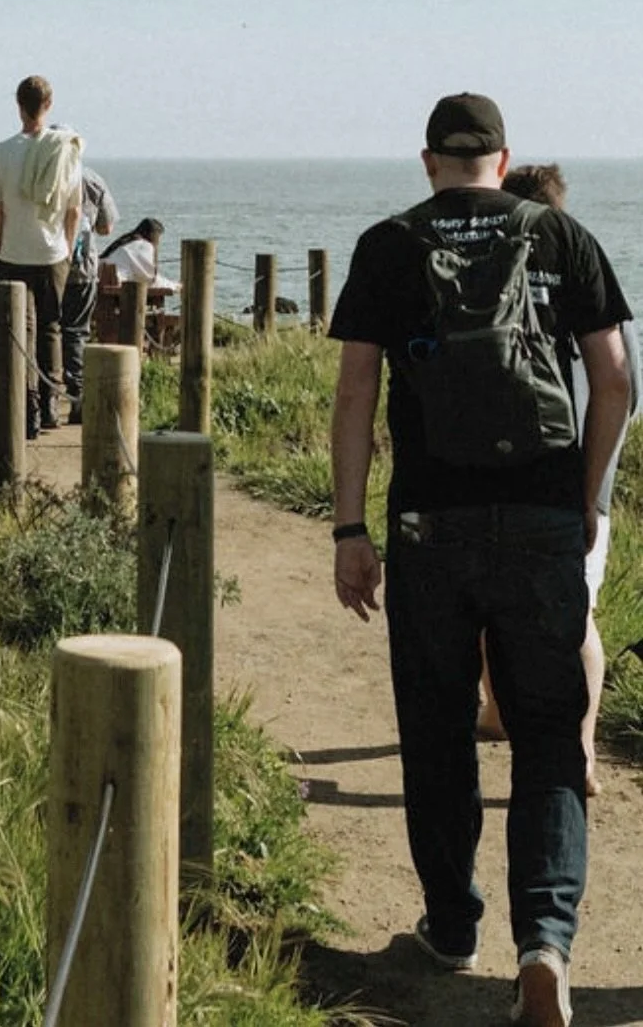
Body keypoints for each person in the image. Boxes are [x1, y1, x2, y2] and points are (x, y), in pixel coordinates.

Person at [329, 93, 631, 1026]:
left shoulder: (388, 243)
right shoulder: (562, 237)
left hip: (427, 524)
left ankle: (451, 925)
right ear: (501, 160)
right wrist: (586, 498)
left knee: (436, 727)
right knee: (546, 735)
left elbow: (354, 394)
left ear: (429, 162)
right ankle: (543, 941)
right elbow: (616, 380)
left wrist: (349, 531)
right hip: (541, 519)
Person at [477, 163, 642, 797]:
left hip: (524, 481)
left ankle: (547, 736)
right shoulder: (597, 284)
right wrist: (596, 487)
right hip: (588, 485)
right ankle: (569, 743)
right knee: (578, 616)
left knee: (506, 605)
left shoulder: (501, 285)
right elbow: (625, 390)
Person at [0, 76, 82, 438]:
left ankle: (26, 410)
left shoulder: (2, 151)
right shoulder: (66, 151)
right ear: (49, 105)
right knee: (51, 329)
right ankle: (51, 404)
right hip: (53, 252)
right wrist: (68, 249)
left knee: (19, 334)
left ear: (18, 105)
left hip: (14, 251)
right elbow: (74, 210)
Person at [52, 129, 119, 426]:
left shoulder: (39, 174)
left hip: (45, 263)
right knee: (76, 333)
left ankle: (46, 401)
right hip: (81, 268)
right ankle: (78, 398)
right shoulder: (91, 178)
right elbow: (107, 227)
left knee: (45, 330)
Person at [100, 218, 180, 293]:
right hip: (115, 287)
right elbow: (149, 278)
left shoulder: (126, 241)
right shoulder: (143, 245)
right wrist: (173, 286)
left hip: (101, 282)